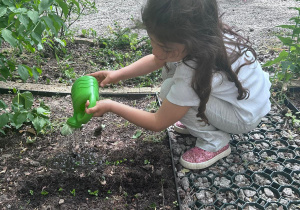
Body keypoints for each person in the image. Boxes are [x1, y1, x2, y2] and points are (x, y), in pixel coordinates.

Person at [85, 0, 271, 170]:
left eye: (165, 48)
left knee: (168, 90)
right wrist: (117, 74)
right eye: (153, 41)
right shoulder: (205, 36)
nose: (155, 51)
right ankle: (194, 117)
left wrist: (111, 106)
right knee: (171, 69)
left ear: (191, 41)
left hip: (242, 116)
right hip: (248, 100)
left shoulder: (193, 72)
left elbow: (158, 122)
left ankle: (215, 141)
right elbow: (157, 59)